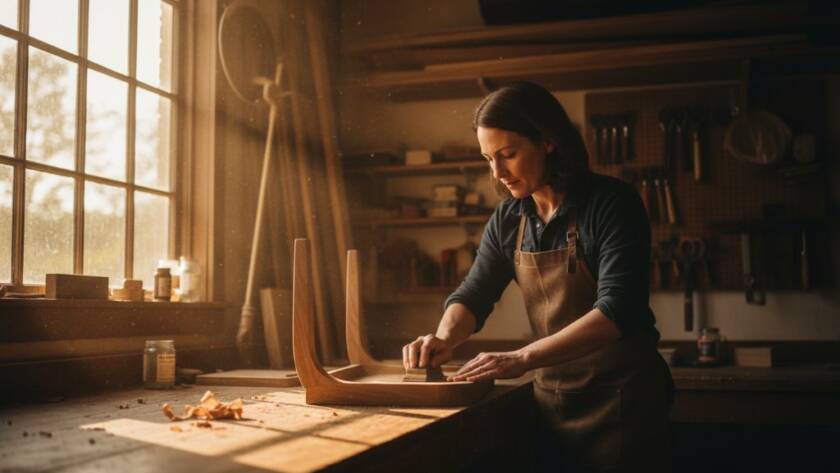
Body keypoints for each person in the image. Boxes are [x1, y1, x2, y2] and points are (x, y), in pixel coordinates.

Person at [402, 81, 673, 472]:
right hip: (552, 404)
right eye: (487, 159)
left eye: (507, 155)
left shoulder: (612, 203)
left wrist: (522, 357)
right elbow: (474, 294)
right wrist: (443, 338)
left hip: (623, 404)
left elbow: (618, 311)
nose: (497, 173)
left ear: (547, 141)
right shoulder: (509, 218)